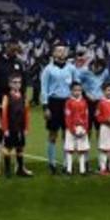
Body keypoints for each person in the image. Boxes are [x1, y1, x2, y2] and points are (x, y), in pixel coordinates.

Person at [0, 42, 27, 177]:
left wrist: (22, 98)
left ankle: (19, 166)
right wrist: (1, 99)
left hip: (17, 104)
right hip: (3, 104)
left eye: (16, 50)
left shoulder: (18, 63)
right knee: (0, 133)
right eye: (13, 49)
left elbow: (24, 81)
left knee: (19, 133)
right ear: (7, 48)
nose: (15, 52)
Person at [38, 44, 76, 175]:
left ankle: (67, 163)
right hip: (54, 102)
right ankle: (52, 162)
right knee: (53, 134)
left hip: (68, 102)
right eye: (58, 50)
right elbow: (44, 88)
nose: (61, 52)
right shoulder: (48, 69)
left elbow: (76, 86)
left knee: (67, 134)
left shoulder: (71, 68)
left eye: (63, 50)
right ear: (53, 53)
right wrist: (45, 107)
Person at [0, 74, 32, 178]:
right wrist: (5, 129)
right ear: (10, 84)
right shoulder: (6, 97)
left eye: (19, 82)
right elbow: (4, 114)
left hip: (20, 127)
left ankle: (20, 169)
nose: (17, 85)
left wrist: (26, 128)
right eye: (14, 82)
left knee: (20, 147)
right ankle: (8, 171)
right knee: (8, 148)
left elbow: (27, 113)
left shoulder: (24, 96)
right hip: (11, 127)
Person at [63, 82, 91, 176]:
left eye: (79, 90)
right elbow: (67, 117)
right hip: (71, 129)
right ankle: (69, 169)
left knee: (82, 150)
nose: (77, 92)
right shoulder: (68, 102)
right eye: (75, 90)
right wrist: (72, 129)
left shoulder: (84, 102)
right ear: (71, 91)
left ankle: (82, 169)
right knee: (70, 149)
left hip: (82, 129)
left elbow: (86, 116)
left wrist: (85, 129)